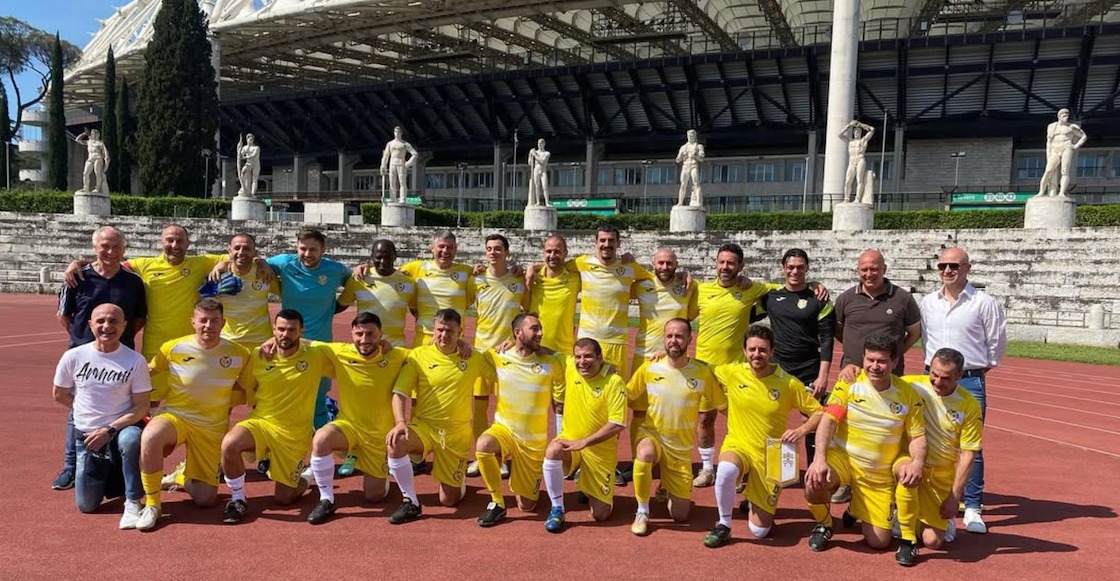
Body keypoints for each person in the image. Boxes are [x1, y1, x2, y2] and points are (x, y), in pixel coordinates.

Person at [803, 334, 927, 567]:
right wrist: (819, 459)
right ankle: (824, 524)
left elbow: (917, 436)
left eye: (882, 361)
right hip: (844, 459)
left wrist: (917, 462)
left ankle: (857, 507)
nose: (875, 366)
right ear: (863, 358)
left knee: (879, 542)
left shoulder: (907, 393)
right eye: (870, 360)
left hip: (878, 474)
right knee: (814, 481)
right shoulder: (850, 383)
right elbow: (829, 421)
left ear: (894, 361)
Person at [702, 325, 823, 548]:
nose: (757, 354)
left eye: (762, 350)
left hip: (772, 455)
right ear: (745, 351)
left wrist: (801, 430)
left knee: (759, 531)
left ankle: (754, 502)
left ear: (772, 351)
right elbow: (701, 367)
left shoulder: (788, 383)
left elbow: (819, 413)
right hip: (738, 444)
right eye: (752, 349)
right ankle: (724, 525)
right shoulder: (732, 372)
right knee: (726, 470)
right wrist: (665, 356)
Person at [136, 299, 249, 531]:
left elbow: (246, 386)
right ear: (193, 322)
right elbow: (147, 369)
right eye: (203, 320)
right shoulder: (172, 348)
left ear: (223, 323)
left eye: (214, 320)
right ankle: (152, 504)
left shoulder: (240, 354)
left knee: (206, 500)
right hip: (177, 416)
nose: (208, 325)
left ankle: (181, 478)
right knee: (151, 436)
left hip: (211, 428)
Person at [218, 309, 334, 524]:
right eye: (280, 329)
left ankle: (306, 476)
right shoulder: (259, 355)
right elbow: (243, 385)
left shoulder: (316, 356)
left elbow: (349, 353)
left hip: (294, 434)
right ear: (274, 329)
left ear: (301, 331)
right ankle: (237, 499)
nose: (285, 335)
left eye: (291, 330)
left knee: (284, 499)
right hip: (263, 422)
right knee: (230, 444)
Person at [919, 246, 1005, 534]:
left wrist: (970, 372)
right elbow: (926, 339)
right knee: (925, 439)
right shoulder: (927, 302)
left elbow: (995, 345)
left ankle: (972, 507)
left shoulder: (984, 302)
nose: (947, 271)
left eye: (954, 266)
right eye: (942, 265)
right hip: (930, 381)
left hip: (969, 380)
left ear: (967, 268)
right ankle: (925, 499)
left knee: (971, 447)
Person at [53, 226, 147, 491]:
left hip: (120, 354)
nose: (110, 251)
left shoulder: (133, 281)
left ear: (124, 250)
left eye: (116, 246)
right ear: (95, 248)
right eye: (105, 246)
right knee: (78, 411)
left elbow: (139, 318)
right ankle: (71, 467)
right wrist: (84, 341)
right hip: (83, 352)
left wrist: (118, 341)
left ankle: (115, 464)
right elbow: (63, 315)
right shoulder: (77, 277)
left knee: (120, 407)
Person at [385, 309, 495, 524]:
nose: (444, 335)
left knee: (449, 501)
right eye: (440, 330)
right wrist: (399, 422)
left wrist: (505, 349)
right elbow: (399, 393)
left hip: (456, 434)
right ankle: (411, 502)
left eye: (450, 331)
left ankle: (458, 477)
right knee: (396, 441)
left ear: (460, 332)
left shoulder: (473, 357)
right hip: (425, 427)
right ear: (433, 330)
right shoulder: (418, 356)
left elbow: (502, 372)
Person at [52, 303, 152, 528]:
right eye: (101, 321)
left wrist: (109, 429)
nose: (107, 326)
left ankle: (133, 501)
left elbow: (142, 407)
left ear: (125, 325)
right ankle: (111, 473)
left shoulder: (135, 361)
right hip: (87, 437)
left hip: (120, 431)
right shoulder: (74, 356)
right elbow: (59, 394)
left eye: (114, 321)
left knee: (132, 439)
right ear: (90, 324)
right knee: (87, 505)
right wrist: (84, 412)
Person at [66, 224, 228, 362]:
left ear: (188, 244)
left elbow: (238, 256)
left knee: (190, 392)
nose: (175, 245)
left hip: (190, 340)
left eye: (180, 241)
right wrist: (78, 263)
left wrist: (221, 265)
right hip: (155, 343)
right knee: (150, 397)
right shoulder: (144, 264)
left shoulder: (202, 263)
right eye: (170, 240)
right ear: (161, 242)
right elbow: (110, 261)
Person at [305, 312, 410, 524]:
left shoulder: (398, 355)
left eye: (370, 334)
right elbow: (304, 343)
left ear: (381, 334)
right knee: (321, 439)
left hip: (378, 436)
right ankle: (326, 499)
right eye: (359, 334)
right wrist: (272, 340)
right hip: (348, 427)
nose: (364, 339)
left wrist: (461, 344)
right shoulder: (340, 351)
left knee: (374, 497)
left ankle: (383, 475)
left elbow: (430, 354)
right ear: (352, 333)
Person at [691, 243, 780, 487]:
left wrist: (815, 286)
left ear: (741, 266)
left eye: (731, 263)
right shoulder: (701, 289)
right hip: (706, 368)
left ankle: (743, 469)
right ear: (716, 263)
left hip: (738, 369)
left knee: (742, 421)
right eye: (721, 262)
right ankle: (708, 469)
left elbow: (785, 289)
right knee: (704, 419)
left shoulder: (752, 289)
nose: (725, 267)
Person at [625, 319, 722, 536]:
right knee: (645, 453)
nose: (673, 341)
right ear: (664, 338)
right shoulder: (650, 367)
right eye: (669, 336)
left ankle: (666, 485)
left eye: (679, 336)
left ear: (690, 339)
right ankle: (642, 511)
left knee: (680, 516)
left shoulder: (702, 372)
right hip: (653, 436)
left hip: (680, 451)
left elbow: (723, 405)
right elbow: (626, 394)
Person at [474, 313, 565, 527]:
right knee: (484, 444)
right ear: (517, 332)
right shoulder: (498, 357)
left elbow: (577, 360)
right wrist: (459, 341)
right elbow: (469, 356)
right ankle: (496, 503)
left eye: (540, 328)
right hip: (504, 431)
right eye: (535, 329)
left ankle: (520, 476)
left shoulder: (551, 363)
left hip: (533, 444)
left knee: (527, 506)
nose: (541, 333)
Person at [263, 229, 352, 431]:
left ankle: (321, 453)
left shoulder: (335, 270)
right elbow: (260, 262)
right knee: (285, 394)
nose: (307, 254)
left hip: (319, 344)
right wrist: (261, 263)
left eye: (313, 249)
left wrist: (332, 309)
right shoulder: (285, 263)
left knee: (318, 398)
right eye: (303, 248)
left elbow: (353, 283)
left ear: (323, 250)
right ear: (297, 247)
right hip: (288, 342)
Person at [752, 248, 835, 465]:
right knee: (769, 417)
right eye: (790, 267)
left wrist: (823, 376)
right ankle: (765, 467)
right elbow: (745, 313)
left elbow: (827, 339)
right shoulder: (770, 298)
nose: (795, 271)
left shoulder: (819, 299)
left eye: (800, 267)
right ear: (783, 269)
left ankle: (814, 468)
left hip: (809, 368)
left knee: (810, 420)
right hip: (778, 368)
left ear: (807, 268)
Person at [624, 248, 697, 484]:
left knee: (671, 411)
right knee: (639, 411)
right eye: (660, 263)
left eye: (669, 263)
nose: (665, 267)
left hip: (674, 358)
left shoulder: (687, 287)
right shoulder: (642, 284)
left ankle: (668, 458)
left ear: (677, 264)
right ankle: (638, 458)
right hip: (644, 356)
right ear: (653, 264)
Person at [541, 338, 627, 533]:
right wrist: (512, 343)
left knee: (600, 515)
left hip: (599, 453)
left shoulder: (614, 381)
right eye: (578, 357)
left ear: (600, 357)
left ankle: (590, 486)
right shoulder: (570, 366)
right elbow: (544, 350)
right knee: (553, 450)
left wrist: (584, 442)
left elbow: (617, 424)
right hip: (571, 444)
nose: (582, 362)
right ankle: (557, 508)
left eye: (588, 356)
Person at [901, 348, 983, 550]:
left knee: (932, 542)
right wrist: (852, 370)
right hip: (909, 464)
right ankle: (900, 514)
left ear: (959, 376)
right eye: (934, 374)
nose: (937, 382)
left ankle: (930, 520)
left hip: (939, 475)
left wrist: (954, 498)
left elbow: (968, 454)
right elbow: (878, 378)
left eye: (945, 378)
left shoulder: (969, 405)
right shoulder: (912, 384)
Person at [466, 234, 527, 477]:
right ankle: (481, 456)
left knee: (504, 409)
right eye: (489, 249)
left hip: (508, 356)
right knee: (479, 409)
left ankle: (501, 456)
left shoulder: (518, 281)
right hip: (481, 353)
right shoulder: (476, 279)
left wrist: (515, 339)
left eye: (498, 249)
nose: (493, 253)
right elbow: (460, 305)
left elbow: (528, 313)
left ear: (507, 252)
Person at [567, 225, 653, 381]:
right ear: (596, 243)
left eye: (611, 240)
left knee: (614, 388)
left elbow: (656, 278)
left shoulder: (629, 267)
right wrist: (533, 267)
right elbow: (556, 267)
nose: (607, 244)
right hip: (587, 339)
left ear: (618, 243)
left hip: (616, 341)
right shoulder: (582, 263)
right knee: (584, 390)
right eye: (602, 240)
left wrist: (682, 275)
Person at [834, 249, 921, 381]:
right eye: (864, 270)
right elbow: (838, 330)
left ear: (884, 269)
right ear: (858, 270)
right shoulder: (845, 299)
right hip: (851, 373)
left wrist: (895, 353)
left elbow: (915, 333)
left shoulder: (903, 298)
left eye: (874, 269)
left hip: (890, 374)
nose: (869, 274)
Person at [399, 231, 476, 348]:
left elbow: (492, 274)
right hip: (424, 340)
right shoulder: (416, 268)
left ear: (455, 250)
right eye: (441, 246)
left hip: (454, 340)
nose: (445, 251)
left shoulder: (467, 272)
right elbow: (385, 271)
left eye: (449, 247)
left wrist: (514, 271)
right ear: (432, 248)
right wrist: (365, 268)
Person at [337, 239, 416, 348]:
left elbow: (417, 312)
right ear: (372, 256)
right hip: (366, 345)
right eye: (379, 257)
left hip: (396, 347)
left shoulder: (409, 283)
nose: (383, 261)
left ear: (395, 257)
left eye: (387, 257)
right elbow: (339, 306)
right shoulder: (358, 279)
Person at [217, 233, 278, 351]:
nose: (241, 252)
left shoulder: (264, 274)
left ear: (255, 253)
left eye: (246, 248)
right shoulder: (218, 275)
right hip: (228, 342)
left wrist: (262, 262)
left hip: (261, 343)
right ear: (229, 251)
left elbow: (287, 295)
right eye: (237, 248)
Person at [1037, 108, 1088, 197]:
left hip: (1067, 147)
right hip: (1054, 149)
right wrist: (1048, 152)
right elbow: (1049, 141)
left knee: (1064, 171)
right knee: (1048, 170)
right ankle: (1041, 192)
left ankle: (1061, 193)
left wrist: (1076, 145)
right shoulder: (1052, 126)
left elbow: (1084, 136)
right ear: (1059, 116)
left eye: (1067, 116)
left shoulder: (1071, 127)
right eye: (1064, 116)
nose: (1066, 118)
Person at [380, 125, 418, 203]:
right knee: (392, 182)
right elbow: (386, 155)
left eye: (398, 132)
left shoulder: (405, 144)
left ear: (401, 133)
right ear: (394, 133)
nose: (397, 133)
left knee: (402, 182)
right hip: (392, 164)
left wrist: (409, 162)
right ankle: (392, 198)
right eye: (395, 132)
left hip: (401, 164)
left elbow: (415, 154)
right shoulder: (390, 144)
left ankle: (402, 198)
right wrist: (383, 165)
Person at [840, 120, 875, 203]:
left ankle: (858, 198)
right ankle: (846, 198)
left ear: (860, 133)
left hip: (860, 159)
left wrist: (861, 125)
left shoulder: (863, 140)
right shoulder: (850, 141)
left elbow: (872, 130)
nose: (856, 133)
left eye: (858, 132)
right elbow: (839, 135)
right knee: (848, 181)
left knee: (859, 179)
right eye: (855, 132)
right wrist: (848, 126)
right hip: (852, 160)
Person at [675, 129, 705, 206]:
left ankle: (698, 202)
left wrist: (695, 156)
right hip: (685, 166)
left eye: (692, 135)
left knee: (696, 184)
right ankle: (680, 202)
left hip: (693, 165)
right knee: (683, 184)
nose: (690, 137)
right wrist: (679, 158)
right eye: (689, 135)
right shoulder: (683, 147)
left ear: (695, 136)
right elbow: (678, 159)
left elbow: (701, 159)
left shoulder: (699, 146)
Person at [75, 128, 110, 194]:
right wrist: (84, 134)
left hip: (98, 158)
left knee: (97, 173)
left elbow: (106, 154)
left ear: (98, 135)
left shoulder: (100, 143)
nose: (93, 135)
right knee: (85, 173)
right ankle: (86, 187)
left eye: (95, 134)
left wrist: (106, 163)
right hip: (90, 159)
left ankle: (97, 188)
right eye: (92, 134)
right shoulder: (89, 142)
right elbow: (77, 140)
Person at [527, 138, 552, 206]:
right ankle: (538, 201)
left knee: (545, 186)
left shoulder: (546, 153)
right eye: (539, 143)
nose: (540, 144)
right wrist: (530, 155)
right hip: (536, 169)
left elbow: (542, 162)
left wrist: (534, 155)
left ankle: (547, 202)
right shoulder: (535, 152)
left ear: (544, 144)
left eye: (541, 143)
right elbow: (530, 163)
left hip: (543, 169)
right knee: (537, 186)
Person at [236, 133, 261, 197]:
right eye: (249, 139)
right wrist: (239, 149)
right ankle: (244, 188)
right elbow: (241, 154)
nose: (250, 141)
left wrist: (244, 157)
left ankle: (252, 194)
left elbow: (253, 155)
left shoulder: (256, 148)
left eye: (251, 139)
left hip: (256, 164)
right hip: (248, 164)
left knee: (254, 179)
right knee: (243, 172)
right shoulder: (245, 147)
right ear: (247, 140)